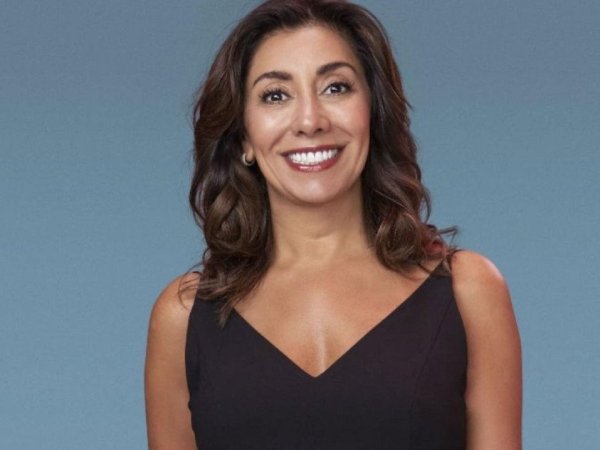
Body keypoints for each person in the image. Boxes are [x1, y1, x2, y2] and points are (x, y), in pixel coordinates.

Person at [144, 0, 522, 448]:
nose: (310, 121)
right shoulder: (183, 317)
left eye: (335, 87)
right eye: (275, 95)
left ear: (373, 112)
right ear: (243, 135)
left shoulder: (468, 292)